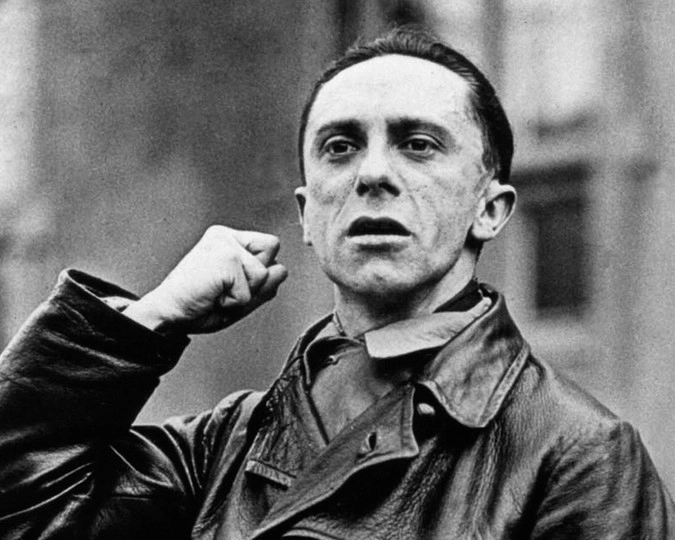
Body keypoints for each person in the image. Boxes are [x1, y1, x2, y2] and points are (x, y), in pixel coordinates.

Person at [0, 27, 672, 539]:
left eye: (418, 144)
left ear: (489, 210)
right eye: (340, 146)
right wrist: (150, 319)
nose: (372, 174)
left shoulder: (576, 454)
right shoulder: (227, 444)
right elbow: (21, 506)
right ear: (307, 215)